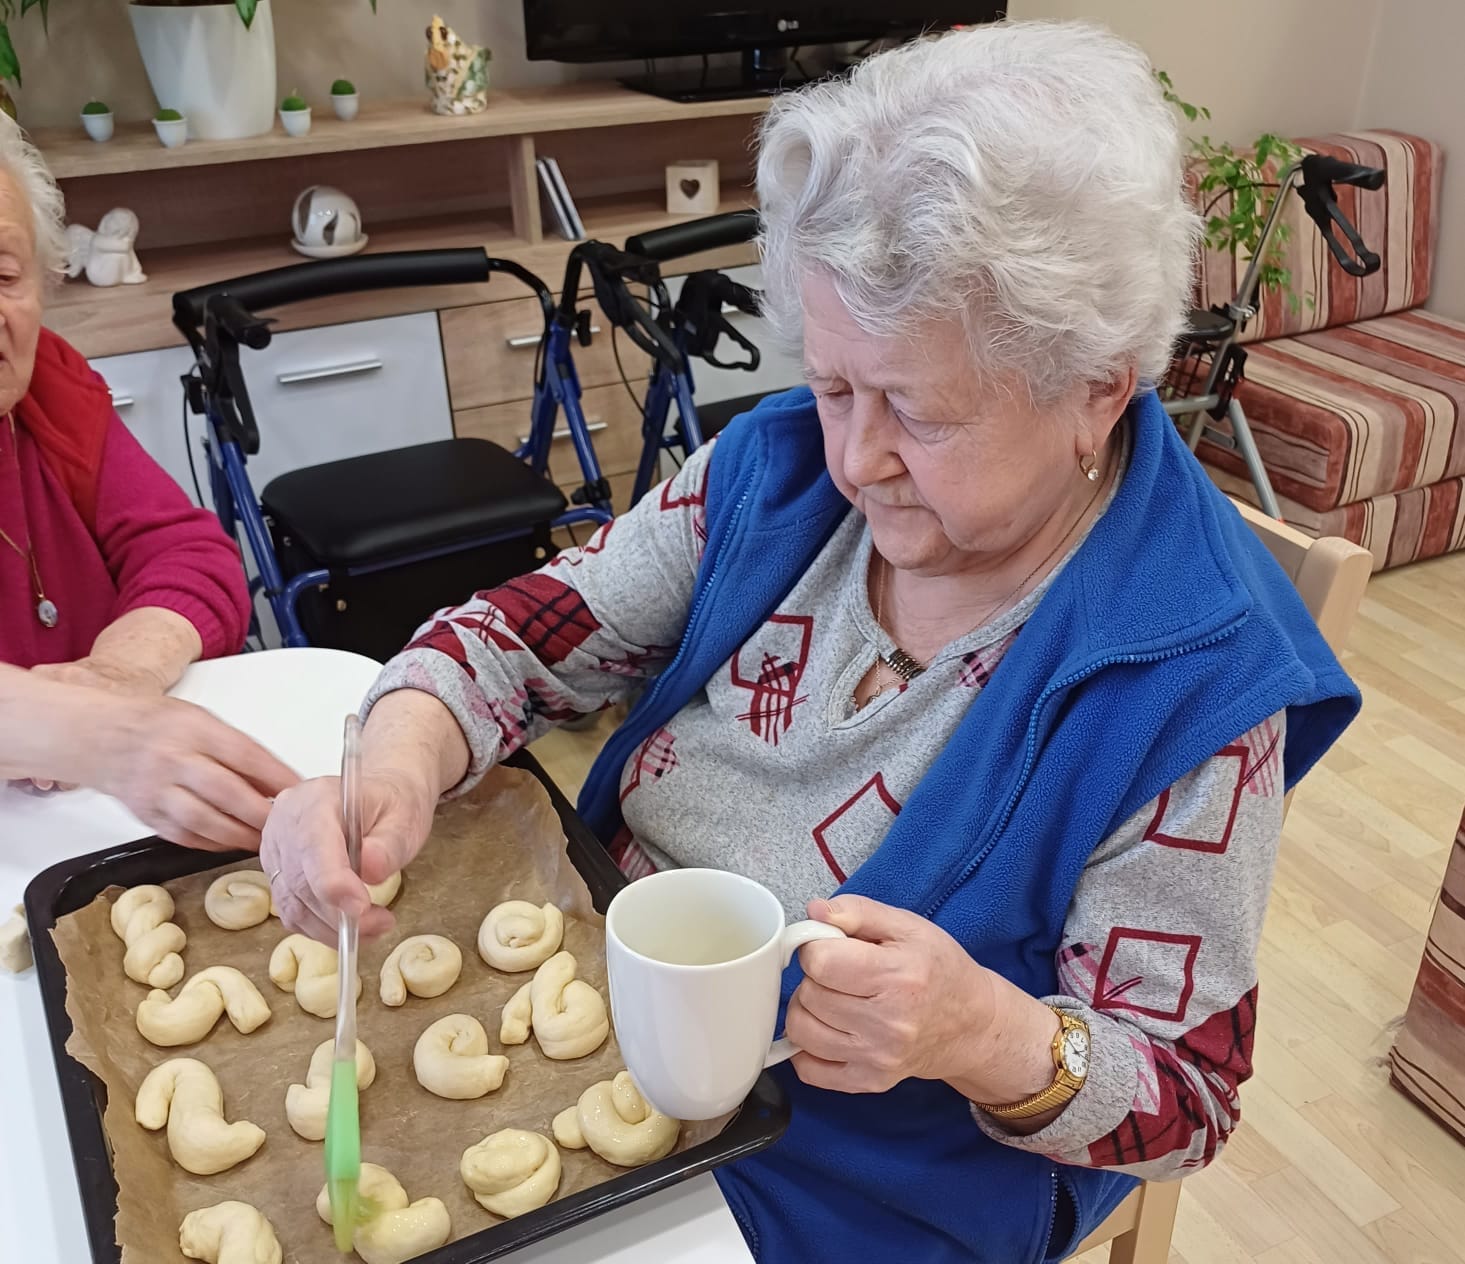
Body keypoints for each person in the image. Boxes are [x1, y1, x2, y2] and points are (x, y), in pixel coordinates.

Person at [263, 23, 1359, 1264]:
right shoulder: (774, 471)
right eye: (836, 386)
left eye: (918, 413)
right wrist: (399, 752)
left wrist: (981, 1034)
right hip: (595, 1034)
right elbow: (525, 634)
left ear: (1097, 389)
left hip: (864, 1173)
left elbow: (1185, 1097)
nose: (853, 458)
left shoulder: (1189, 677)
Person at [0, 116, 296, 847]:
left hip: (92, 819)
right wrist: (86, 732)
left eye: (3, 276)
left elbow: (188, 554)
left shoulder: (48, 394)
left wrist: (121, 671)